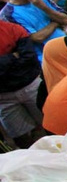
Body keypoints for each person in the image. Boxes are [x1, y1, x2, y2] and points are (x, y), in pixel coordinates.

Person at [0, 0, 67, 62]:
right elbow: (37, 38)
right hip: (47, 57)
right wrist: (55, 22)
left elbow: (65, 20)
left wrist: (43, 7)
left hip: (66, 42)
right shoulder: (8, 14)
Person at [0, 20, 44, 148]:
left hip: (30, 85)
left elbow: (28, 59)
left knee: (52, 124)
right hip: (3, 98)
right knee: (21, 139)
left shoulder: (13, 29)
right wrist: (12, 57)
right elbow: (20, 60)